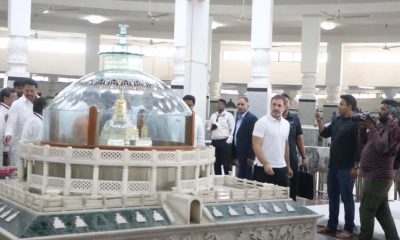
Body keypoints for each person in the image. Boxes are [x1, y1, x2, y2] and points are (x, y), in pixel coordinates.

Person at [316, 94, 359, 239]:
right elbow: (324, 132)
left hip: (347, 167)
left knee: (347, 198)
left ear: (350, 107)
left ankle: (349, 228)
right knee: (332, 196)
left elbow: (359, 147)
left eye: (342, 104)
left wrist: (356, 167)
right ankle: (332, 225)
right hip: (333, 166)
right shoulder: (337, 121)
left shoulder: (355, 123)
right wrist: (319, 120)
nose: (339, 106)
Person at [358, 99, 400, 240]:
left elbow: (383, 148)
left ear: (392, 111)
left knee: (366, 210)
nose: (379, 111)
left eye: (383, 109)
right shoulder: (381, 126)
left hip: (379, 177)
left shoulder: (393, 127)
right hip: (375, 176)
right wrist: (363, 128)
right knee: (382, 213)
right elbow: (365, 142)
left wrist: (373, 128)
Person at [252, 94, 292, 187]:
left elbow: (285, 145)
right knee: (262, 199)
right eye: (274, 105)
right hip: (263, 168)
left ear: (284, 107)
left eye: (279, 105)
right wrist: (266, 163)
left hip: (281, 168)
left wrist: (288, 166)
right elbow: (256, 145)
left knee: (282, 198)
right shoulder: (261, 122)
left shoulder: (286, 124)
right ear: (270, 105)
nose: (276, 108)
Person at [4, 78, 38, 168]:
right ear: (23, 90)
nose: (29, 93)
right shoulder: (17, 104)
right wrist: (8, 134)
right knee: (18, 175)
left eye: (32, 91)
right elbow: (10, 123)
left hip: (37, 148)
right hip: (19, 146)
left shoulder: (40, 103)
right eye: (27, 90)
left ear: (36, 90)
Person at [281, 93, 307, 201]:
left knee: (292, 190)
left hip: (292, 158)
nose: (284, 105)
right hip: (277, 159)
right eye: (282, 103)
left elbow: (299, 139)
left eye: (286, 102)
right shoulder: (272, 119)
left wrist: (304, 157)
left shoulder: (294, 119)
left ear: (289, 104)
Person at [232, 96, 258, 180]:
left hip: (247, 156)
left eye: (242, 104)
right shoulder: (238, 118)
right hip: (239, 154)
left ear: (248, 105)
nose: (239, 106)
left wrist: (251, 156)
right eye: (238, 104)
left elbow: (253, 139)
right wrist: (234, 155)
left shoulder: (252, 118)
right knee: (240, 179)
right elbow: (236, 136)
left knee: (247, 180)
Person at [207, 99, 235, 175]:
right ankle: (217, 179)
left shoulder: (229, 116)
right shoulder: (213, 115)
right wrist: (212, 128)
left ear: (225, 106)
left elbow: (232, 129)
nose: (219, 105)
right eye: (218, 104)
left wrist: (229, 140)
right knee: (216, 163)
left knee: (226, 163)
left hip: (224, 142)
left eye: (221, 104)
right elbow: (208, 128)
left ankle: (227, 179)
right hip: (214, 142)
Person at [0, 88, 17, 166]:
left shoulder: (12, 109)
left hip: (12, 145)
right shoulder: (2, 111)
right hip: (4, 147)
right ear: (5, 98)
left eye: (16, 97)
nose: (15, 99)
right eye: (13, 97)